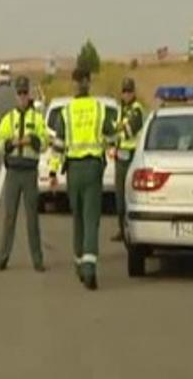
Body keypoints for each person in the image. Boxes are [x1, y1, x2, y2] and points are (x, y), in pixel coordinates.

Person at [50, 68, 115, 290]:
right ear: (89, 83)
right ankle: (89, 269)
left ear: (74, 84)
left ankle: (79, 264)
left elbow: (58, 146)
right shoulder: (99, 108)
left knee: (77, 217)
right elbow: (112, 136)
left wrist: (52, 172)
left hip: (74, 171)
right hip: (93, 168)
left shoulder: (66, 112)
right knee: (91, 220)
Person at [0, 76, 47, 272]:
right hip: (14, 172)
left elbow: (44, 142)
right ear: (16, 95)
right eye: (20, 93)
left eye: (26, 93)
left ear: (29, 94)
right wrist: (13, 143)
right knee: (9, 217)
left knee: (32, 218)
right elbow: (0, 141)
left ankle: (37, 259)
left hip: (29, 172)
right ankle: (2, 257)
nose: (23, 96)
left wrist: (30, 140)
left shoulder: (37, 118)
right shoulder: (9, 118)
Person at [110, 77, 145, 242]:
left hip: (132, 157)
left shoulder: (137, 110)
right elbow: (113, 128)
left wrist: (118, 130)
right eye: (124, 91)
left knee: (130, 196)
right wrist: (117, 130)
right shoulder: (120, 109)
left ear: (134, 92)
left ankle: (130, 230)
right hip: (120, 157)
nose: (126, 94)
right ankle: (120, 229)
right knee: (119, 198)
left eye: (129, 91)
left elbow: (130, 130)